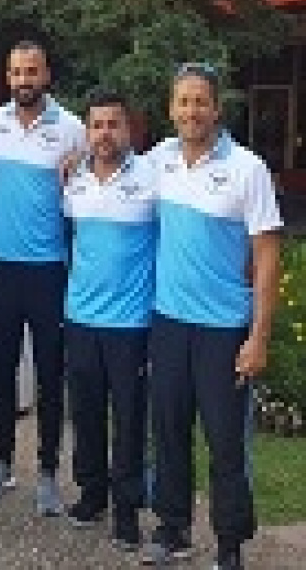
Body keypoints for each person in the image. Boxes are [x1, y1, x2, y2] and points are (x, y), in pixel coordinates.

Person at [143, 64, 281, 570]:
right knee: (169, 431)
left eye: (200, 101)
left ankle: (229, 545)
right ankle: (173, 528)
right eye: (183, 102)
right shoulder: (157, 161)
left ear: (217, 108)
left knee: (225, 443)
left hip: (224, 330)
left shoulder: (248, 169)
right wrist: (76, 162)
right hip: (169, 323)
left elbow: (267, 255)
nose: (192, 111)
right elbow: (108, 166)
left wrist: (258, 336)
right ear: (171, 108)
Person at [0, 40, 85, 516]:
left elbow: (97, 176)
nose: (24, 80)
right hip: (0, 266)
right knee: (1, 370)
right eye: (17, 72)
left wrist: (82, 164)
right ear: (8, 77)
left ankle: (47, 473)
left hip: (48, 270)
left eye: (32, 71)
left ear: (46, 75)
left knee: (49, 374)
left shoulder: (72, 129)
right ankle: (2, 461)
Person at [62, 89, 156, 552]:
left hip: (131, 324)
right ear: (87, 131)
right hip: (81, 318)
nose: (104, 134)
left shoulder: (153, 178)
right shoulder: (73, 180)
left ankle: (127, 510)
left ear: (128, 129)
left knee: (130, 421)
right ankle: (92, 494)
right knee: (86, 414)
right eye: (96, 125)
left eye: (112, 125)